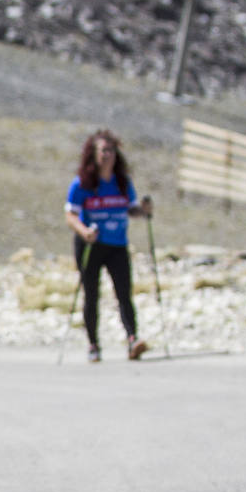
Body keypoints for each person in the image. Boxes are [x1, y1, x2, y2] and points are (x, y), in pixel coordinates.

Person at [64, 129, 154, 362]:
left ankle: (133, 339)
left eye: (111, 150)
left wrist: (143, 211)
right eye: (103, 151)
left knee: (124, 293)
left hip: (117, 245)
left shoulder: (122, 183)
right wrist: (85, 232)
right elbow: (70, 215)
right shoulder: (82, 183)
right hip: (91, 246)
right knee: (91, 294)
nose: (107, 155)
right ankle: (93, 344)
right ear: (93, 154)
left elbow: (131, 209)